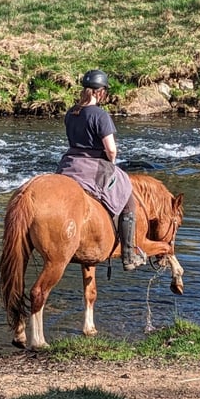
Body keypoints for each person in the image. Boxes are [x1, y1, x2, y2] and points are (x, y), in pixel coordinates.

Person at [56, 69, 147, 271]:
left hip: (69, 164)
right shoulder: (100, 115)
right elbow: (111, 150)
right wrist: (111, 163)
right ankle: (129, 255)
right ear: (101, 92)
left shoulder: (71, 112)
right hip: (94, 166)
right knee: (128, 201)